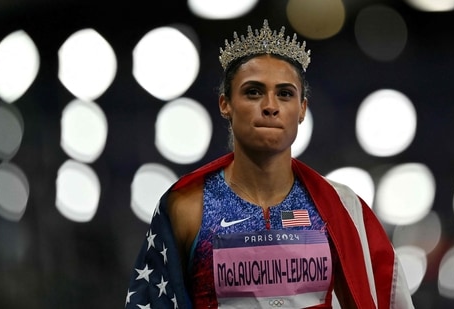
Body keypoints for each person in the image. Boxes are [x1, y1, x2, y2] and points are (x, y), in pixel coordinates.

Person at [125, 20, 414, 309]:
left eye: (285, 94)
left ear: (302, 109)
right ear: (225, 103)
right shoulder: (187, 207)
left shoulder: (341, 207)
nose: (270, 106)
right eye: (253, 92)